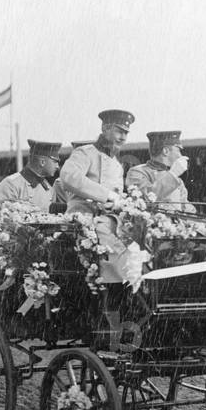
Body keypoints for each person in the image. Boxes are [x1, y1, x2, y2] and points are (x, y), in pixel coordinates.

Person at [60, 109, 140, 292]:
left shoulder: (117, 165)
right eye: (119, 131)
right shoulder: (85, 153)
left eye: (126, 133)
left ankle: (131, 291)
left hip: (109, 219)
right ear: (105, 128)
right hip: (83, 217)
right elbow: (69, 176)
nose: (123, 137)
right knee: (113, 244)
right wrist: (106, 195)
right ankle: (115, 292)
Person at [125, 130, 196, 213]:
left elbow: (185, 207)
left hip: (176, 225)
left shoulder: (177, 179)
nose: (180, 155)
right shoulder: (137, 172)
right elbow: (146, 199)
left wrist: (204, 222)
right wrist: (173, 174)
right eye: (178, 150)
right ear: (165, 151)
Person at [0, 140, 61, 216]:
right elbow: (0, 221)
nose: (57, 166)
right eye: (55, 161)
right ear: (42, 162)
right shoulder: (10, 185)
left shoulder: (49, 190)